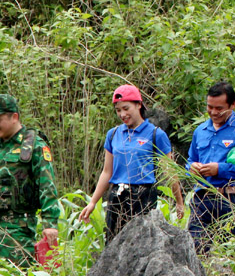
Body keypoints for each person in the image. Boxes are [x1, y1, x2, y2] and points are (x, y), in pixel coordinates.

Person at [0, 94, 60, 272]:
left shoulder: (34, 145)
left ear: (14, 117)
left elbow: (47, 185)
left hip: (16, 228)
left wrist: (50, 224)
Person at [78, 85, 184, 243]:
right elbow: (107, 172)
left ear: (138, 105)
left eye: (126, 108)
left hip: (143, 197)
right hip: (117, 197)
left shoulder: (156, 134)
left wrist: (179, 201)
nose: (122, 114)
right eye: (118, 110)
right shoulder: (113, 134)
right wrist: (93, 202)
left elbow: (170, 171)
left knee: (141, 246)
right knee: (114, 246)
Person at [186, 81, 235, 252]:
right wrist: (192, 167)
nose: (213, 112)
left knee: (233, 255)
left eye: (219, 108)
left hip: (231, 200)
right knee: (195, 252)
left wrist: (219, 169)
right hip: (201, 200)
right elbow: (190, 159)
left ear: (232, 105)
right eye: (209, 107)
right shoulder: (200, 131)